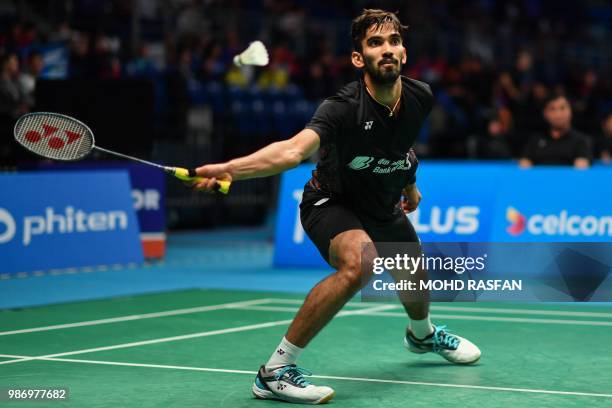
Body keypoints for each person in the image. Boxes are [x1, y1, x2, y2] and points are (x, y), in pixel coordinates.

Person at [193, 9, 481, 404]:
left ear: (404, 52)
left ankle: (422, 335)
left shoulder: (420, 97)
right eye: (375, 43)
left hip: (381, 202)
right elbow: (293, 151)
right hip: (332, 201)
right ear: (358, 58)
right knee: (358, 264)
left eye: (393, 41)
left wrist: (410, 185)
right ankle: (274, 371)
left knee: (415, 277)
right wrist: (230, 169)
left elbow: (399, 146)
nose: (387, 50)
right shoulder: (342, 106)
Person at [519, 93, 592, 169]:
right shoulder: (535, 140)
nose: (558, 114)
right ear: (545, 113)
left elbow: (581, 170)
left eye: (562, 108)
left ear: (570, 111)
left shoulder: (581, 141)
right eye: (552, 109)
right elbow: (524, 166)